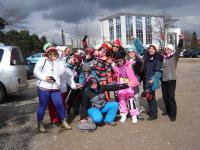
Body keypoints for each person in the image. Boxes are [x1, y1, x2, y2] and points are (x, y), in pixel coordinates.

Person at [34, 46, 72, 133]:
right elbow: (35, 72)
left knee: (60, 104)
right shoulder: (42, 60)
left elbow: (62, 72)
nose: (52, 55)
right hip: (43, 87)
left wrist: (57, 62)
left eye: (54, 53)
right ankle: (40, 124)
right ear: (47, 54)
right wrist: (44, 77)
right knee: (42, 106)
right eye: (50, 53)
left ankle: (63, 121)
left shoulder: (58, 61)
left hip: (55, 87)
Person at [161, 34, 184, 121]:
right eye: (166, 49)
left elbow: (179, 49)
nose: (167, 50)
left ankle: (173, 115)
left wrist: (181, 40)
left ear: (171, 50)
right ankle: (168, 110)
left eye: (168, 49)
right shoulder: (163, 58)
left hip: (171, 80)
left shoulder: (174, 57)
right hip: (164, 80)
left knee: (171, 97)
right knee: (165, 97)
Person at [113, 53, 139, 123]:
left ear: (123, 59)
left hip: (129, 84)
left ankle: (133, 115)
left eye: (120, 60)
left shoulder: (129, 64)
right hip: (121, 85)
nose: (119, 62)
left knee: (131, 100)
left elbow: (138, 62)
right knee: (121, 100)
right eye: (117, 61)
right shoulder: (116, 67)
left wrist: (135, 56)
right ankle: (124, 114)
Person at [142, 45, 162, 120]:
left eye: (153, 49)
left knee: (151, 97)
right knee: (148, 97)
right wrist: (135, 40)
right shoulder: (147, 57)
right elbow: (141, 48)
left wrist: (154, 79)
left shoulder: (157, 59)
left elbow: (159, 71)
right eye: (150, 49)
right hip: (146, 80)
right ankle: (152, 111)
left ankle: (153, 114)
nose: (151, 50)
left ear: (155, 50)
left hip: (151, 81)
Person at [126, 44, 144, 120]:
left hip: (135, 81)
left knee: (136, 96)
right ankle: (131, 112)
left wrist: (139, 80)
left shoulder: (137, 60)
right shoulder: (126, 61)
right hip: (127, 81)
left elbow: (140, 67)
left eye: (132, 51)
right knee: (129, 97)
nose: (130, 53)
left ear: (135, 52)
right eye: (129, 52)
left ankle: (138, 113)